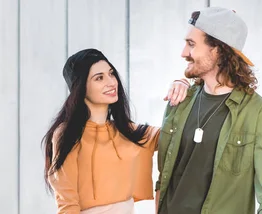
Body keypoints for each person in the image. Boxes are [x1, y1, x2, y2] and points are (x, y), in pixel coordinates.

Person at [154, 7, 262, 214]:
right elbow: (163, 180)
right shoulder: (178, 101)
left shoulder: (260, 114)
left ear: (217, 50)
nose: (183, 53)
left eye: (191, 44)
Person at [42, 48, 190, 213]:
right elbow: (67, 204)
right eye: (99, 78)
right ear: (80, 87)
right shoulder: (67, 134)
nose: (111, 82)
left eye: (111, 74)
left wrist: (183, 85)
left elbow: (174, 135)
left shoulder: (126, 131)